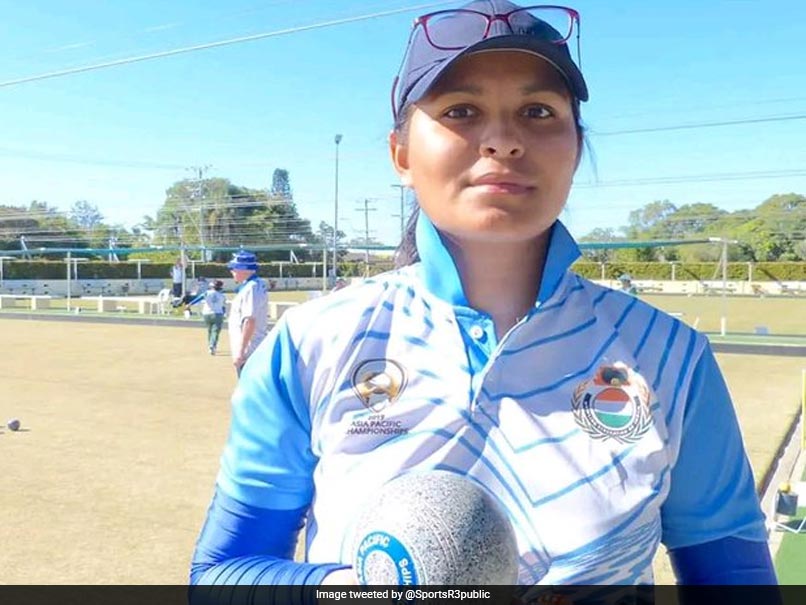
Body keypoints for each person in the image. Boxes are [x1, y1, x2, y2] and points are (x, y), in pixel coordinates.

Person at [191, 0, 777, 593]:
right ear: (401, 154)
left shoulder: (671, 357)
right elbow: (218, 574)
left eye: (538, 111)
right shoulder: (312, 342)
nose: (502, 140)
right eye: (462, 110)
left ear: (576, 147)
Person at [225, 250, 269, 375]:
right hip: (251, 349)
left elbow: (249, 320)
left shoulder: (252, 287)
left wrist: (241, 350)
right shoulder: (253, 286)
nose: (231, 271)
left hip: (250, 351)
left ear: (243, 269)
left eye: (234, 268)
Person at [186, 279, 227, 355]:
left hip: (207, 314)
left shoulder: (207, 293)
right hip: (218, 314)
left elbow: (198, 299)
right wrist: (224, 314)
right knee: (215, 331)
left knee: (210, 330)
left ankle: (210, 345)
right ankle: (213, 345)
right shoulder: (223, 296)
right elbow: (223, 306)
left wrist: (189, 304)